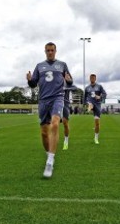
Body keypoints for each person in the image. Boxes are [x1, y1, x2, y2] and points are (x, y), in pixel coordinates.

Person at [26, 42, 73, 178]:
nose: (50, 52)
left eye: (52, 50)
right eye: (48, 50)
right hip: (43, 101)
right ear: (45, 51)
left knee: (55, 123)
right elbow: (33, 84)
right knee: (44, 133)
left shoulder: (62, 65)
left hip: (57, 98)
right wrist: (29, 80)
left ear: (56, 51)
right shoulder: (39, 66)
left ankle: (50, 162)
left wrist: (69, 81)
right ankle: (49, 154)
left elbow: (70, 81)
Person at [85, 73, 107, 144]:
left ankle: (96, 138)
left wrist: (99, 97)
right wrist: (86, 103)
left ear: (95, 79)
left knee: (97, 123)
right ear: (90, 79)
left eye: (93, 78)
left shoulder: (99, 86)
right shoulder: (87, 88)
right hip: (90, 103)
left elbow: (105, 94)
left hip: (97, 105)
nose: (92, 79)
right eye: (91, 78)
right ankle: (89, 107)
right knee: (90, 104)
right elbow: (84, 98)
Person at [62, 85, 77, 150]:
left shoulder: (66, 82)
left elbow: (75, 88)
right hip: (55, 103)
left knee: (65, 123)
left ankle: (66, 140)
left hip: (65, 104)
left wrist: (66, 88)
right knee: (53, 123)